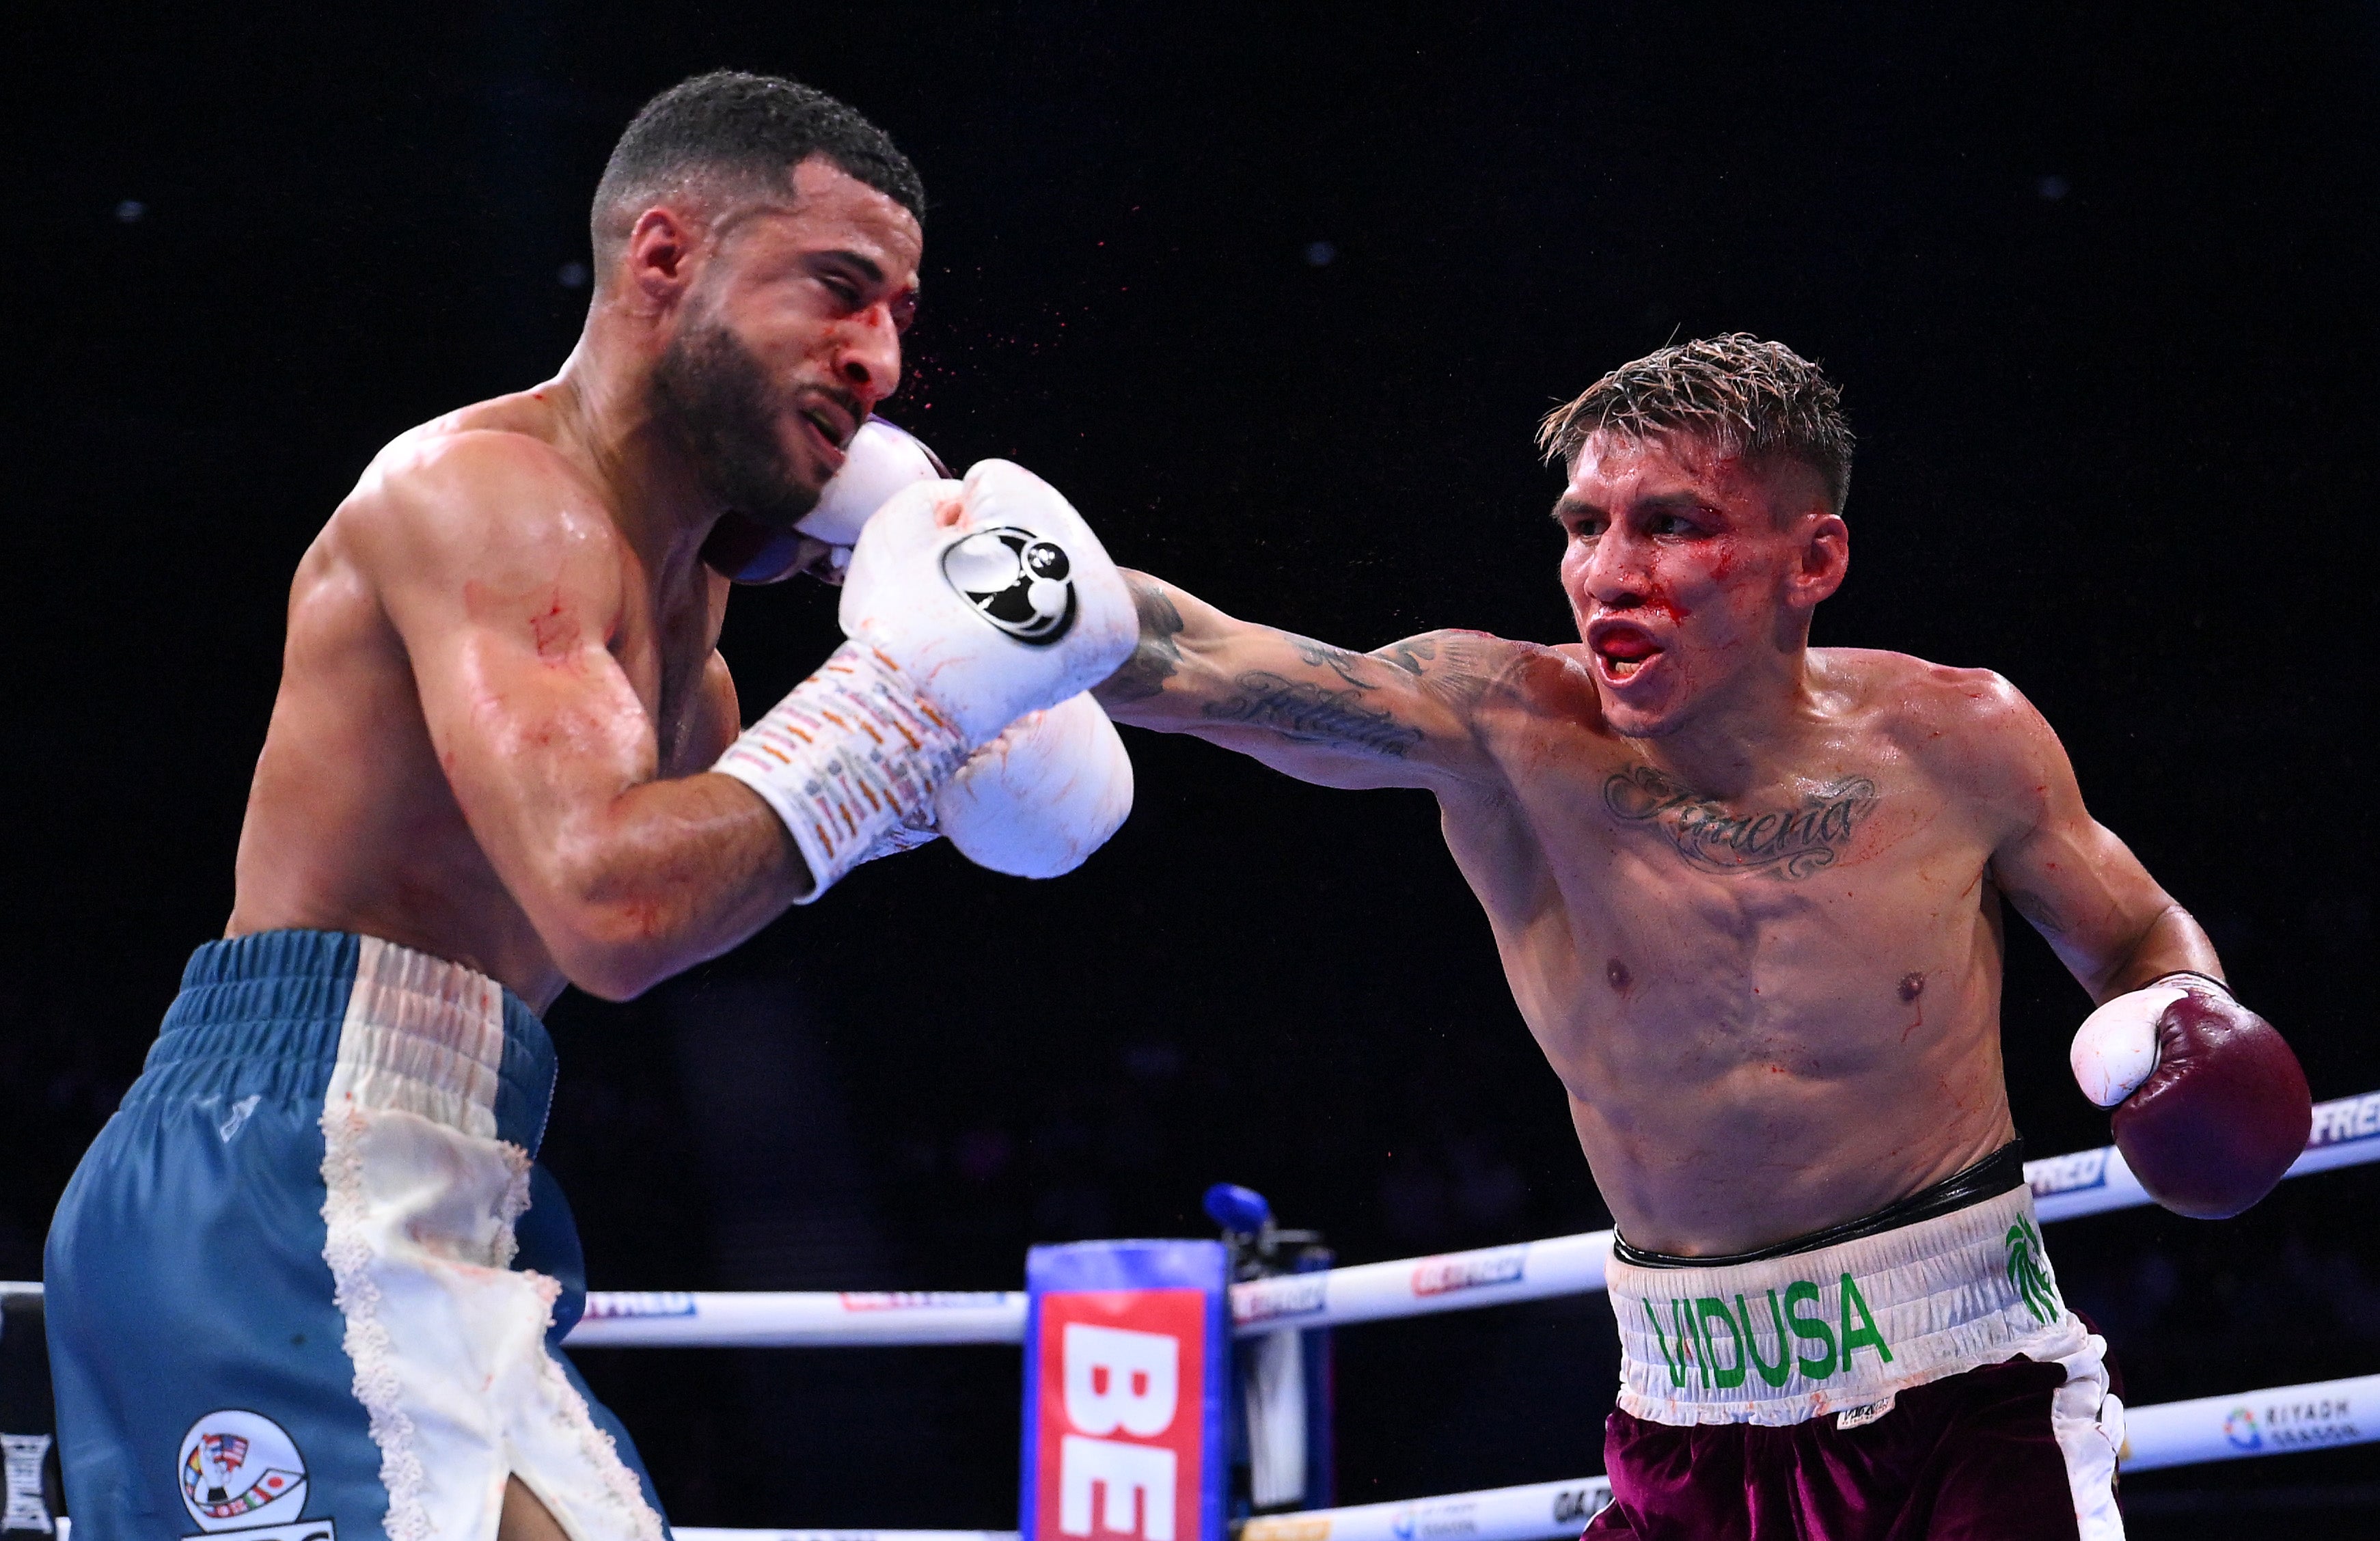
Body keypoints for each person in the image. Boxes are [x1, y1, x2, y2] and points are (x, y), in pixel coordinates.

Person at [45, 71, 1136, 1541]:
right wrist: (906, 702)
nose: (876, 355)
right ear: (665, 258)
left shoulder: (696, 652)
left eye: (895, 316)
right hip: (276, 1171)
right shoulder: (489, 496)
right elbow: (611, 910)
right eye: (836, 289)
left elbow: (692, 894)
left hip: (451, 1181)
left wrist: (937, 754)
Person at [1094, 334, 2312, 1539]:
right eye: (1583, 526)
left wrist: (2186, 1022)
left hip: (1970, 1389)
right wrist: (1020, 597)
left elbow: (2138, 931)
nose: (1608, 574)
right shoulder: (1505, 729)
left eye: (1673, 524)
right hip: (1678, 1413)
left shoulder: (1960, 740)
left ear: (1813, 557)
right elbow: (1190, 655)